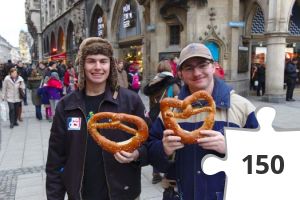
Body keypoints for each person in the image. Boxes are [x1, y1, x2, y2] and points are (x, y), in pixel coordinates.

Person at [148, 43, 259, 200]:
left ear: (213, 67)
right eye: (189, 68)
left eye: (202, 65)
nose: (197, 73)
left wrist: (232, 147)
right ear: (180, 74)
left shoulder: (242, 107)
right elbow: (151, 154)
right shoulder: (169, 112)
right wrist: (164, 150)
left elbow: (264, 158)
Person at [46, 37, 149, 200]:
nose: (98, 67)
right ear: (82, 66)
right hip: (81, 194)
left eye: (103, 61)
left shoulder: (130, 101)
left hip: (123, 193)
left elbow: (149, 143)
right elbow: (55, 159)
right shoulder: (66, 106)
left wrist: (137, 154)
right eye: (91, 61)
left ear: (111, 65)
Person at [144, 60, 180, 184]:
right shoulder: (173, 84)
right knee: (168, 143)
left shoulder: (152, 82)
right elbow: (179, 102)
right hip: (166, 117)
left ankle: (155, 173)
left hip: (152, 116)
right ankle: (168, 172)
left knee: (157, 142)